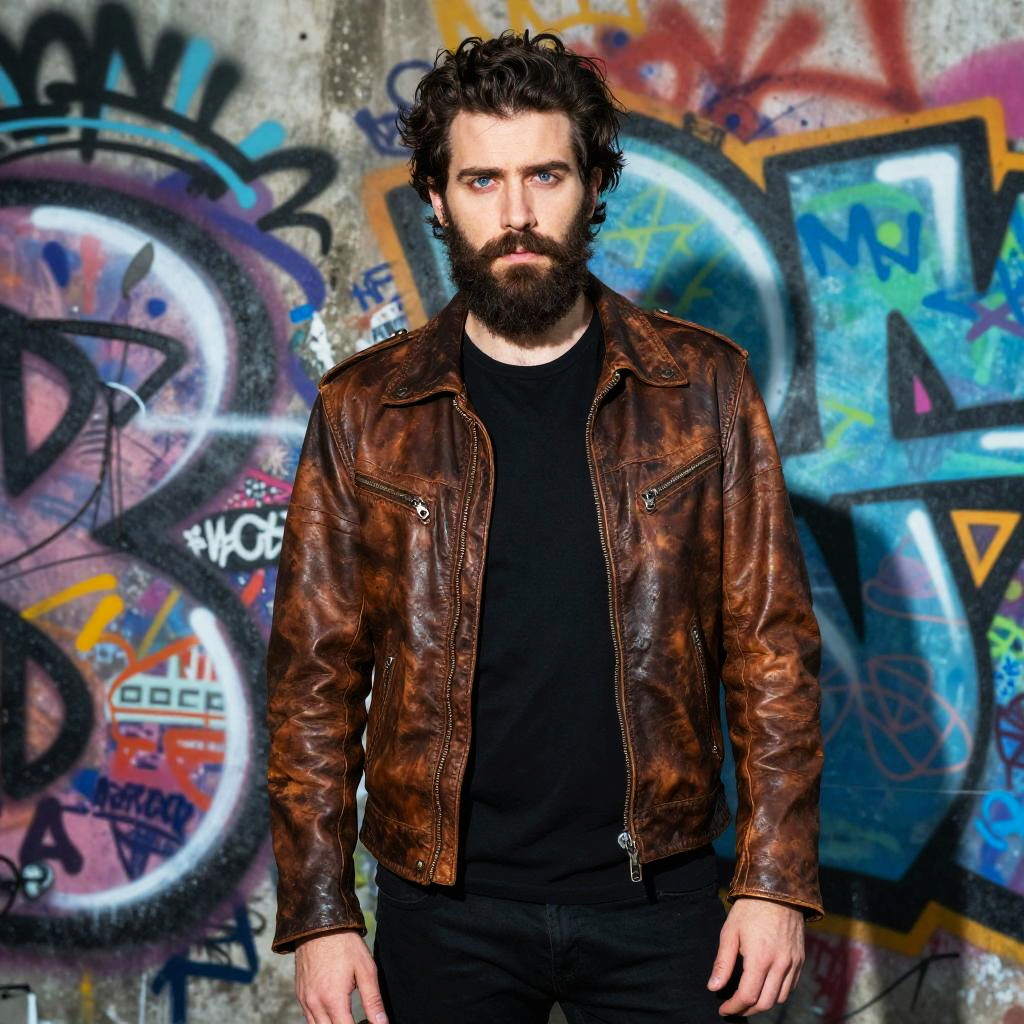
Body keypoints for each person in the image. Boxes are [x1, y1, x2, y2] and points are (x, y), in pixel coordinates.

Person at [267, 30, 823, 1024]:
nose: (515, 214)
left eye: (545, 176)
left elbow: (770, 651)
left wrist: (774, 880)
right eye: (482, 180)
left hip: (663, 903)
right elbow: (314, 676)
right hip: (445, 911)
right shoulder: (365, 411)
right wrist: (320, 913)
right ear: (437, 197)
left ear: (593, 183)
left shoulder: (702, 389)